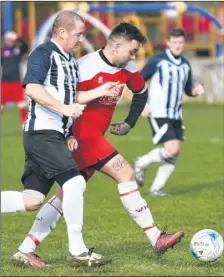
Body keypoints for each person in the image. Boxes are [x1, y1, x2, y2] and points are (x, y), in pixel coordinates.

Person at [13, 22, 185, 268]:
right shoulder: (84, 67)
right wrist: (67, 134)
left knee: (63, 198)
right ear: (116, 45)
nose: (133, 57)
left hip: (93, 138)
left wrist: (129, 122)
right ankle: (156, 237)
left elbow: (141, 91)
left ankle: (25, 248)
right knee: (125, 172)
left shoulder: (126, 69)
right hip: (82, 135)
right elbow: (64, 98)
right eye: (132, 51)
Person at [1, 10, 123, 268]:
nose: (81, 39)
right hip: (41, 133)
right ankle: (77, 251)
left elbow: (70, 98)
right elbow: (32, 88)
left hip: (52, 135)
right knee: (75, 183)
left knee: (32, 200)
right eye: (78, 34)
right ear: (62, 32)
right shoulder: (43, 53)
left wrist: (98, 93)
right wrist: (64, 110)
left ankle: (24, 251)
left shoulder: (68, 60)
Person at [134, 28, 204, 197]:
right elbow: (137, 81)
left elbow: (187, 89)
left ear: (183, 44)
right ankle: (141, 162)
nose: (178, 45)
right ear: (168, 42)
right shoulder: (158, 61)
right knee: (172, 149)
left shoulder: (186, 65)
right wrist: (142, 106)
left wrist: (194, 90)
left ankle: (156, 189)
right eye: (174, 42)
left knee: (175, 152)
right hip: (158, 112)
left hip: (176, 114)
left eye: (180, 42)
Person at [1, 31, 29, 126]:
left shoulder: (17, 50)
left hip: (16, 82)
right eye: (9, 40)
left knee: (21, 104)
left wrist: (18, 38)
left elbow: (25, 46)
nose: (10, 41)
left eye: (12, 40)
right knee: (1, 105)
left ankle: (24, 123)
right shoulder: (2, 51)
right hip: (5, 82)